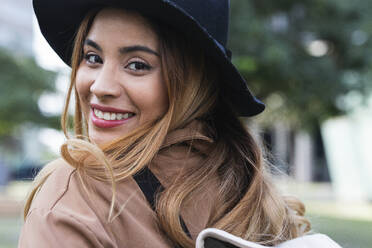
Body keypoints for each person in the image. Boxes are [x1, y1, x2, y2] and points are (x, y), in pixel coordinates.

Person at [18, 1, 341, 248]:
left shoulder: (76, 192)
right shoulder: (250, 186)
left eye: (137, 65)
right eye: (92, 57)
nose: (101, 85)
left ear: (190, 81)